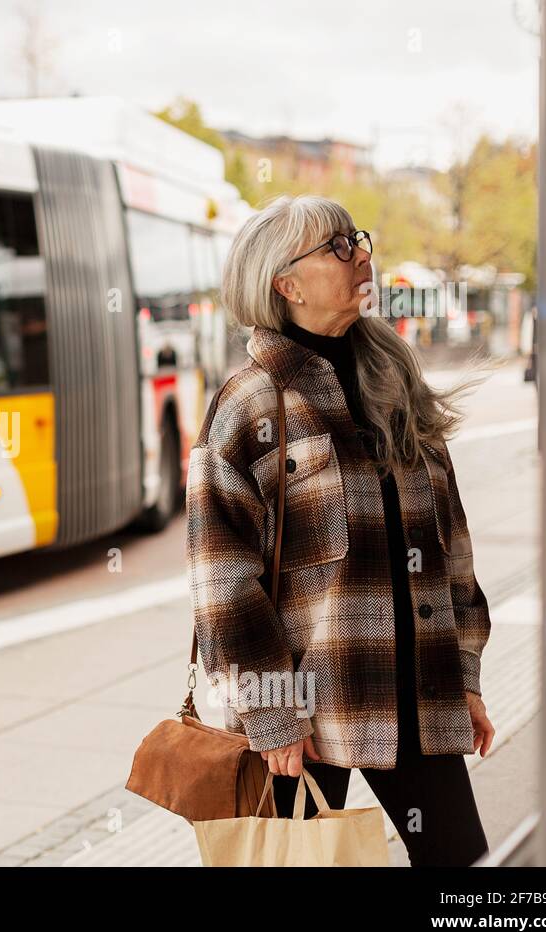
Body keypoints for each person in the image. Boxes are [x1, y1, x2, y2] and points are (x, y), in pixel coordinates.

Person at [186, 194, 496, 866]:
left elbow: (450, 538)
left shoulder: (393, 378)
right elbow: (222, 579)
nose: (362, 253)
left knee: (464, 868)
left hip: (416, 694)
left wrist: (463, 673)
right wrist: (268, 711)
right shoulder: (250, 400)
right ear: (285, 284)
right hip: (302, 712)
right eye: (337, 246)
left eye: (357, 237)